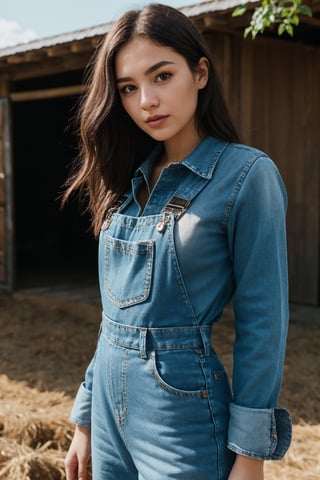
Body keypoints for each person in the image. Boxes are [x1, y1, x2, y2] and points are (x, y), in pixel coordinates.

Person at [64, 3, 292, 479]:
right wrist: (85, 417)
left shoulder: (247, 175)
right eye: (128, 88)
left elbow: (263, 321)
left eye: (162, 76)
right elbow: (115, 318)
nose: (146, 99)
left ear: (200, 72)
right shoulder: (125, 180)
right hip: (107, 414)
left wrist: (250, 455)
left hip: (181, 416)